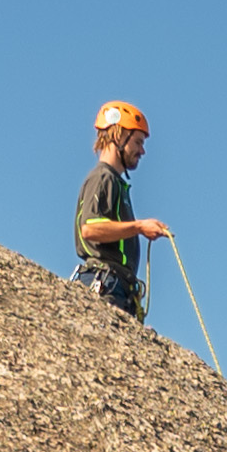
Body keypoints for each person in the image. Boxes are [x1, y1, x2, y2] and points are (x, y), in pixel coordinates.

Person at [73, 99, 165, 319]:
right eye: (138, 142)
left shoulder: (116, 183)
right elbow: (90, 229)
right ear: (118, 136)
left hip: (119, 286)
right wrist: (139, 227)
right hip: (106, 282)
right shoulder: (103, 178)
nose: (142, 151)